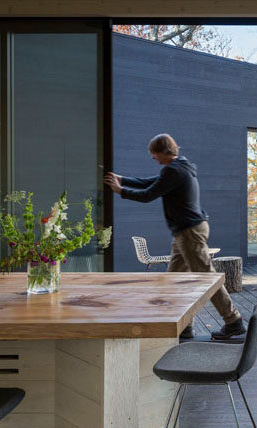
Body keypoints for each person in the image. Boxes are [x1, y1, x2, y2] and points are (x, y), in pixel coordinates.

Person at [104, 133, 246, 341]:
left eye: (154, 155)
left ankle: (234, 322)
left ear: (163, 152)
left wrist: (120, 190)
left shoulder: (174, 170)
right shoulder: (180, 166)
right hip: (185, 232)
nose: (153, 158)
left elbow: (148, 195)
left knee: (207, 277)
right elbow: (149, 183)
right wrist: (122, 179)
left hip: (190, 232)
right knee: (175, 282)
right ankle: (184, 327)